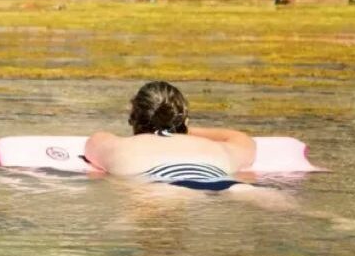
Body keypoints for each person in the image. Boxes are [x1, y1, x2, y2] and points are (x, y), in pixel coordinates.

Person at [84, 81, 256, 190]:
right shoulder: (215, 149)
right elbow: (243, 140)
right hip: (218, 178)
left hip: (157, 184)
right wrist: (182, 129)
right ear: (185, 121)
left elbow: (94, 142)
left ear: (133, 119)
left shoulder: (120, 148)